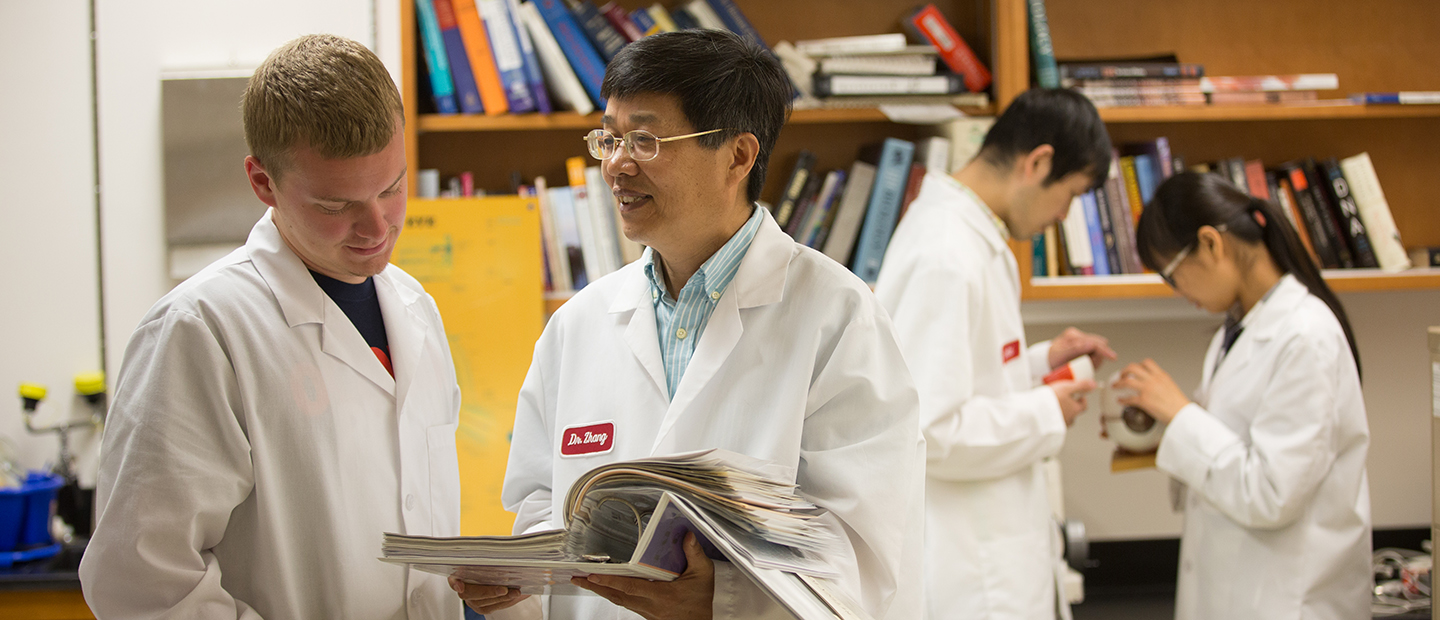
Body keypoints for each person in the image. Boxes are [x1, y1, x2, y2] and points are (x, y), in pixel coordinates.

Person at [453, 29, 925, 620]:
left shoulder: (837, 318)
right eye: (611, 138)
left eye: (646, 140)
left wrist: (722, 604)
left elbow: (866, 548)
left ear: (738, 156)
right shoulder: (577, 325)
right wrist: (512, 586)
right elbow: (539, 512)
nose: (617, 166)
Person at [79, 35, 463, 619]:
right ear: (263, 183)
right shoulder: (201, 330)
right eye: (335, 206)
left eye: (391, 188)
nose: (376, 227)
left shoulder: (416, 309)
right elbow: (140, 583)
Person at [873, 88, 1117, 620]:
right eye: (1071, 194)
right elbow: (930, 429)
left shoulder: (971, 234)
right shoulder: (947, 254)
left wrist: (1041, 362)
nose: (1063, 215)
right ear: (1039, 162)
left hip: (987, 550)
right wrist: (1049, 409)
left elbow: (962, 372)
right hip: (967, 575)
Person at [1113, 171, 1371, 620]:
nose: (1178, 294)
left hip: (1287, 603)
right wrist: (1161, 433)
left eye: (1173, 276)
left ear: (1212, 244)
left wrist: (1181, 414)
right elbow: (1229, 444)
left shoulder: (1305, 336)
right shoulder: (1237, 331)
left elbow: (1272, 493)